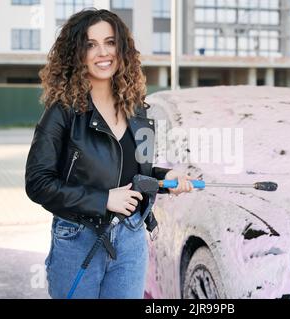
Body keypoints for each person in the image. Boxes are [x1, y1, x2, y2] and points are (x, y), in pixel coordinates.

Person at [25, 8, 193, 299]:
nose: (102, 52)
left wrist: (168, 178)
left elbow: (138, 175)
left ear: (122, 49)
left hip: (130, 239)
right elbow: (38, 182)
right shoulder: (62, 112)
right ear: (76, 54)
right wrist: (104, 199)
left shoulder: (137, 109)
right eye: (90, 44)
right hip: (78, 238)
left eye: (110, 42)